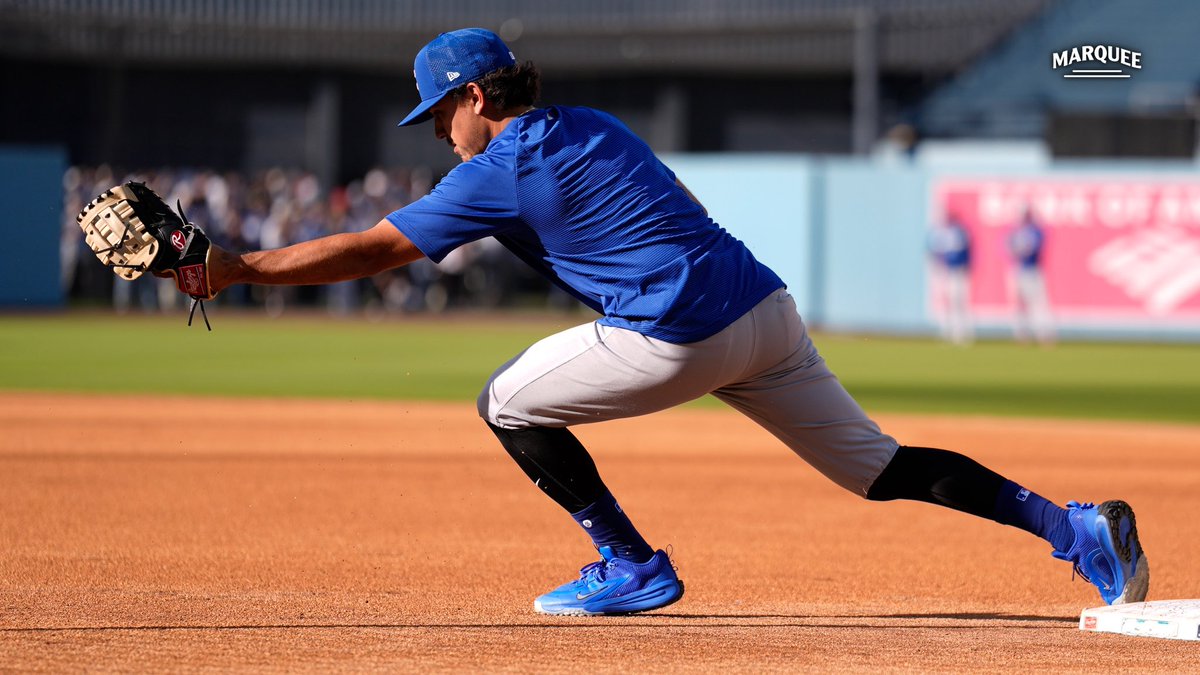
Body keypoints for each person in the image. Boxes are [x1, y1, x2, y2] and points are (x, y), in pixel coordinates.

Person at [201, 28, 1146, 615]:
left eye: (440, 112)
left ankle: (629, 563)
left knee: (504, 403)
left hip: (675, 332)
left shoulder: (498, 165)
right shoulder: (596, 123)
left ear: (476, 98)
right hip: (764, 312)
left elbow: (374, 250)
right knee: (879, 466)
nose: (438, 130)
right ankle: (1076, 530)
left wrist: (234, 268)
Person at [1009, 209, 1055, 346]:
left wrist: (1019, 249)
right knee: (1019, 305)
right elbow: (1010, 248)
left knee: (1039, 303)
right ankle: (1023, 334)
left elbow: (1032, 249)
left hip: (1033, 270)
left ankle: (1045, 334)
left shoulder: (1035, 231)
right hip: (1020, 270)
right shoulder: (1017, 232)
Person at [927, 214, 973, 345]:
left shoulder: (959, 232)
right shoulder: (939, 233)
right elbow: (933, 250)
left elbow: (963, 252)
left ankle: (961, 334)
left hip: (957, 271)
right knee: (946, 303)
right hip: (944, 272)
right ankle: (947, 332)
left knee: (958, 302)